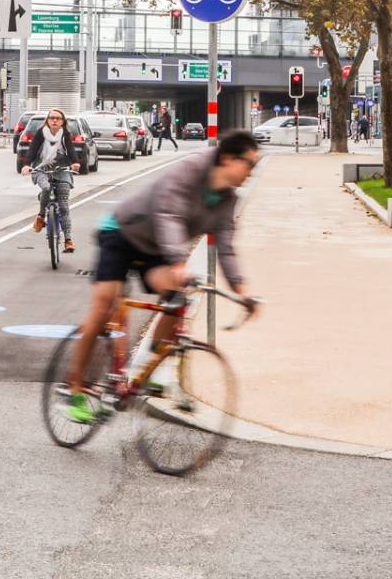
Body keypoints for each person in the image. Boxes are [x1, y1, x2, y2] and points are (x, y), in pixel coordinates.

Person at [61, 131, 262, 425]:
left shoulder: (226, 199)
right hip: (123, 233)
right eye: (249, 164)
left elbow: (226, 247)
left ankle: (146, 365)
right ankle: (75, 388)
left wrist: (242, 290)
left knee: (179, 296)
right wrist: (178, 261)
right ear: (229, 159)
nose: (251, 172)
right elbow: (170, 215)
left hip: (156, 248)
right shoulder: (190, 171)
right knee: (103, 306)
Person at [18, 108, 79, 253]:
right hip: (41, 168)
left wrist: (75, 163)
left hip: (62, 169)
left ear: (62, 122)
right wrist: (26, 165)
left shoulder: (65, 134)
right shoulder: (41, 133)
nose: (54, 120)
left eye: (58, 118)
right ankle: (41, 215)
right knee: (45, 188)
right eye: (52, 118)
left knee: (63, 205)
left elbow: (71, 150)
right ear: (47, 120)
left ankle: (68, 240)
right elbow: (32, 150)